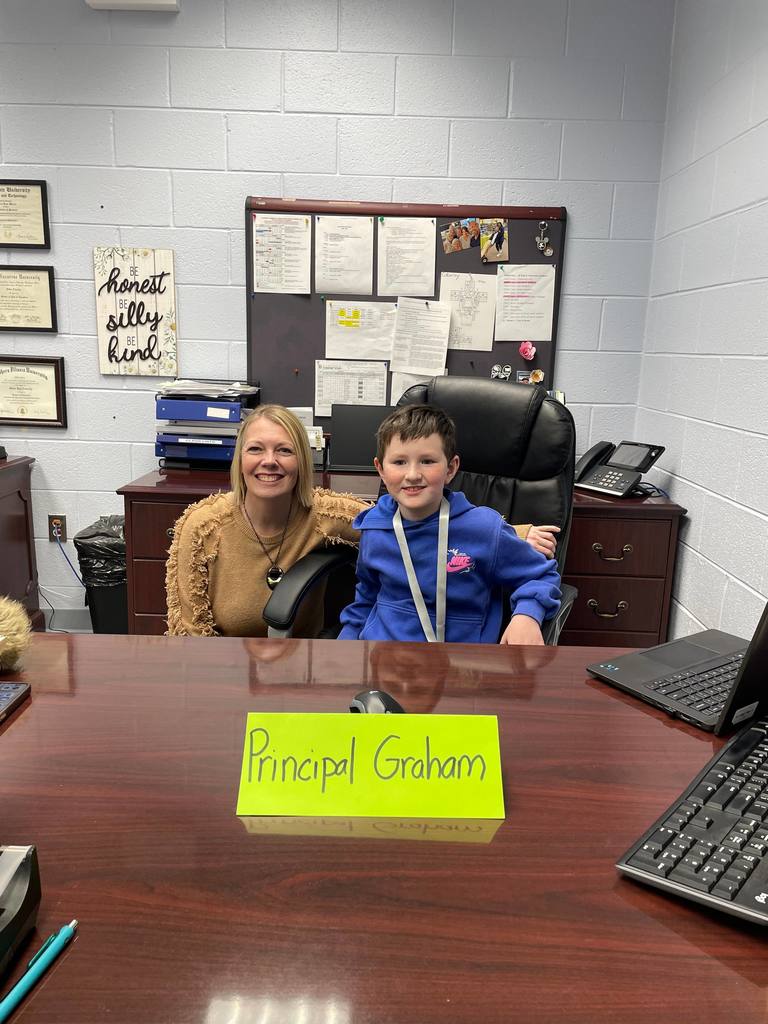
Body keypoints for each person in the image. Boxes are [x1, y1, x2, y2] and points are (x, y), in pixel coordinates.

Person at [338, 404, 561, 646]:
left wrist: (527, 615)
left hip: (461, 665)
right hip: (382, 658)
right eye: (399, 462)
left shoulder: (484, 530)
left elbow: (540, 574)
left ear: (451, 468)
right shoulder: (375, 528)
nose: (412, 474)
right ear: (380, 469)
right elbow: (367, 596)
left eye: (427, 461)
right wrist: (346, 643)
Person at [166, 405, 366, 638]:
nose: (269, 461)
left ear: (301, 461)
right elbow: (188, 635)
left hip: (300, 664)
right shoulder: (203, 526)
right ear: (240, 460)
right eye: (255, 449)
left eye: (284, 450)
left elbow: (394, 530)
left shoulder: (326, 514)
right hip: (225, 664)